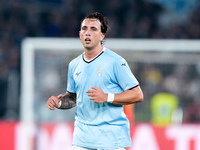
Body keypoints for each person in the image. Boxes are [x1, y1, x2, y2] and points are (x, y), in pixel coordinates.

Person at [46, 12, 143, 150]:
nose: (88, 33)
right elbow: (73, 98)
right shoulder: (74, 65)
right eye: (84, 28)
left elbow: (138, 95)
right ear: (80, 33)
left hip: (111, 141)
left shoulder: (116, 62)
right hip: (82, 140)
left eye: (93, 29)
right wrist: (59, 102)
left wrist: (106, 97)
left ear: (102, 35)